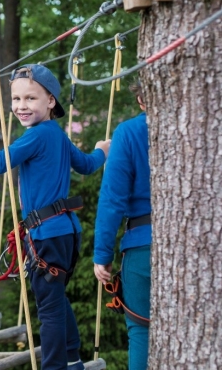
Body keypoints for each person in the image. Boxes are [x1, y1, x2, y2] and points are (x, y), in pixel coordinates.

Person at [0, 64, 110, 370]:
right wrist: (101, 151)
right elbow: (87, 165)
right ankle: (71, 359)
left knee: (49, 307)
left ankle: (56, 367)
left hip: (47, 235)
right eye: (16, 99)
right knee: (55, 297)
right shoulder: (57, 135)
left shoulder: (38, 135)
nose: (21, 106)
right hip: (64, 233)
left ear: (50, 101)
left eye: (30, 98)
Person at [93, 81, 151, 370]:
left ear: (141, 98)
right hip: (202, 245)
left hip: (143, 247)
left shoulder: (129, 132)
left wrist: (102, 255)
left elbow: (113, 199)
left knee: (142, 331)